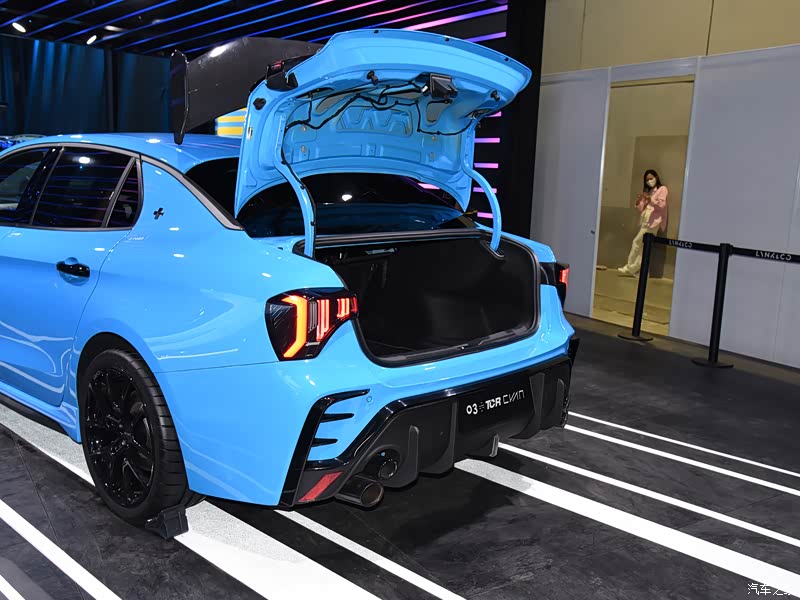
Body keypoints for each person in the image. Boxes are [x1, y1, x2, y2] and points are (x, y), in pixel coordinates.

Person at [618, 169, 668, 276]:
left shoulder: (662, 189)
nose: (649, 181)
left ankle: (630, 268)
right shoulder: (650, 191)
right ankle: (637, 271)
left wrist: (650, 199)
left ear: (656, 177)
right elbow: (642, 208)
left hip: (653, 223)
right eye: (647, 180)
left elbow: (662, 205)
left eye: (651, 178)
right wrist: (639, 202)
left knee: (636, 242)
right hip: (646, 222)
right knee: (642, 247)